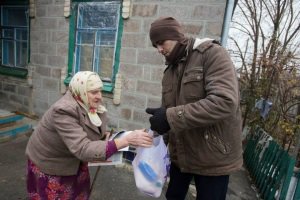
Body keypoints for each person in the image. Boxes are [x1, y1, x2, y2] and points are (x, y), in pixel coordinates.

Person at [145, 17, 243, 200]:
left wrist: (169, 117)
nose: (159, 50)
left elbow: (225, 101)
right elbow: (169, 112)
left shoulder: (212, 54)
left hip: (212, 159)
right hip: (181, 157)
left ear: (175, 36)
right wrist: (159, 136)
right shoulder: (169, 72)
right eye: (155, 46)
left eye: (161, 43)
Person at [25, 71, 153, 200]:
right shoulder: (64, 110)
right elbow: (82, 148)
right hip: (53, 163)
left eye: (100, 91)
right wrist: (125, 141)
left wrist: (126, 136)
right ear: (80, 90)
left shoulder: (88, 103)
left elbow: (95, 133)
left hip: (75, 160)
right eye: (94, 92)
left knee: (78, 193)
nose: (100, 96)